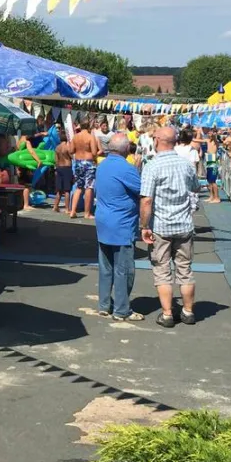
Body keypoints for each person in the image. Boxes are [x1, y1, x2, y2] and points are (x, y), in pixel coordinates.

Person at [139, 126, 198, 329]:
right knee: (185, 269)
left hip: (161, 226)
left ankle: (167, 314)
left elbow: (146, 200)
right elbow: (195, 187)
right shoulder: (186, 164)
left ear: (157, 140)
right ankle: (188, 311)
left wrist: (144, 226)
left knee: (162, 270)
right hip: (184, 224)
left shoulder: (152, 166)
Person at [95, 135, 143, 322]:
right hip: (121, 224)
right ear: (126, 149)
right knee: (124, 269)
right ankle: (122, 310)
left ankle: (104, 304)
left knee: (106, 266)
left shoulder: (102, 165)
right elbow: (143, 190)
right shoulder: (126, 168)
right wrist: (137, 168)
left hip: (103, 221)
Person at [69, 117, 101, 219]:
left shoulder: (75, 137)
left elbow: (71, 151)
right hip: (88, 163)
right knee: (89, 187)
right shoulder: (90, 137)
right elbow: (94, 153)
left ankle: (72, 211)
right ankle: (87, 213)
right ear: (89, 126)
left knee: (78, 187)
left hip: (78, 162)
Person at [53, 129, 74, 213]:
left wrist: (56, 169)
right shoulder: (67, 147)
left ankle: (55, 206)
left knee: (59, 190)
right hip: (67, 168)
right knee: (67, 190)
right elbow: (72, 157)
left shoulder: (57, 148)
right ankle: (67, 209)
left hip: (59, 168)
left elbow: (56, 160)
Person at [204, 131, 221, 203]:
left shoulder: (216, 142)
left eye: (210, 133)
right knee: (209, 180)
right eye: (208, 133)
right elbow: (197, 140)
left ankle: (217, 198)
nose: (209, 134)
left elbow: (214, 138)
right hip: (209, 160)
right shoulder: (207, 141)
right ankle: (211, 196)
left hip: (213, 162)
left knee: (213, 181)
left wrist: (213, 134)